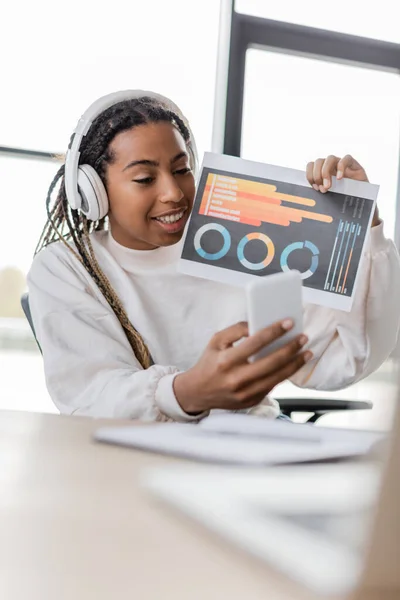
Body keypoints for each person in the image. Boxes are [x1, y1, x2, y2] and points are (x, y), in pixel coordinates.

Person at [27, 90, 400, 421]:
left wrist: (362, 225)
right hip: (136, 456)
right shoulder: (67, 267)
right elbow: (87, 396)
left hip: (253, 439)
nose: (174, 192)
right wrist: (187, 391)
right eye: (144, 178)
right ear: (93, 190)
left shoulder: (239, 244)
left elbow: (346, 357)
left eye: (182, 169)